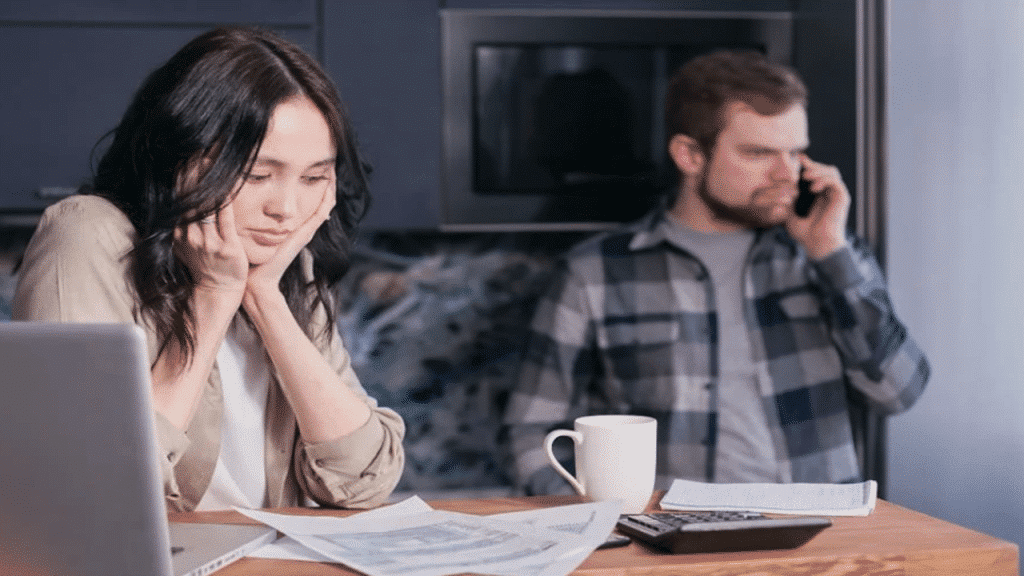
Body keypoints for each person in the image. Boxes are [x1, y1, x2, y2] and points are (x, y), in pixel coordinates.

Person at [12, 27, 404, 511]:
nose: (285, 208)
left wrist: (264, 297)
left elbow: (364, 479)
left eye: (313, 178)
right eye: (258, 175)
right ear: (180, 159)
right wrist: (213, 296)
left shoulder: (278, 259)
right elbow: (92, 489)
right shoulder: (88, 236)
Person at [505, 50, 929, 494]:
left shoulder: (830, 253)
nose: (786, 174)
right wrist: (600, 529)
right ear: (689, 154)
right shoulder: (593, 274)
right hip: (666, 549)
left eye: (796, 152)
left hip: (818, 546)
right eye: (758, 153)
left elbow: (897, 392)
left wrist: (831, 255)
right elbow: (532, 432)